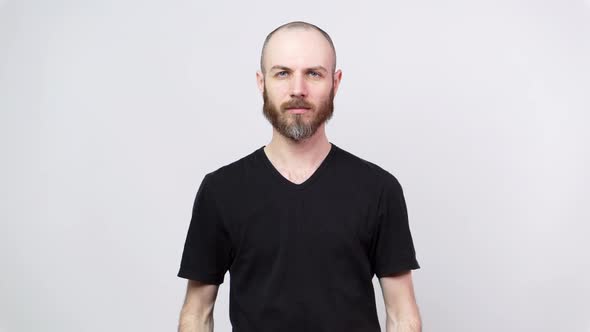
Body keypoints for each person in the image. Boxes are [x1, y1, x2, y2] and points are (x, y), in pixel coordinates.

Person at [177, 21, 422, 332]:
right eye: (282, 73)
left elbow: (403, 316)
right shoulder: (221, 190)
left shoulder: (379, 189)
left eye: (314, 73)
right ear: (261, 82)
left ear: (336, 82)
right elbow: (196, 314)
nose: (297, 89)